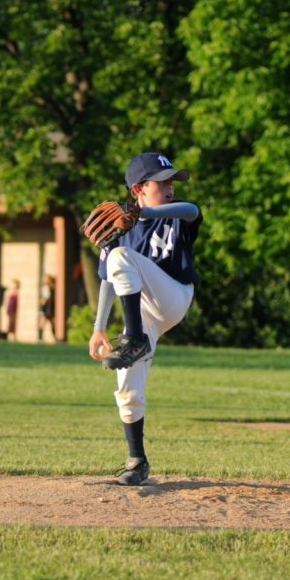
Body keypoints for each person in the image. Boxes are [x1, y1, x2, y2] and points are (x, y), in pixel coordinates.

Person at [88, 152, 202, 485]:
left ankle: (134, 339)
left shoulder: (174, 214)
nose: (170, 187)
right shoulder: (118, 231)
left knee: (122, 256)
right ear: (138, 187)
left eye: (172, 182)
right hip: (143, 313)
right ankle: (137, 461)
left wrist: (145, 213)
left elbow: (192, 210)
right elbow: (109, 277)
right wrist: (98, 329)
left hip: (174, 296)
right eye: (162, 182)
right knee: (127, 387)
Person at [38, 274, 56, 342]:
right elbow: (43, 300)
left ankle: (55, 337)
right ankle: (40, 338)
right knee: (42, 323)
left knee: (53, 324)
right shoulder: (45, 289)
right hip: (46, 309)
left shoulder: (52, 288)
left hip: (51, 309)